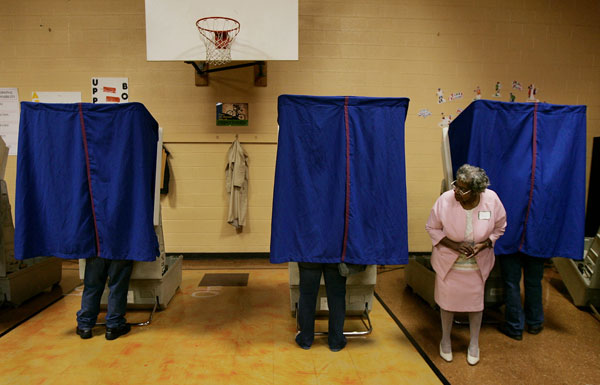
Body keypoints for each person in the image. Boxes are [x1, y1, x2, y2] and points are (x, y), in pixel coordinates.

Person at [425, 164, 507, 365]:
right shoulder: (445, 200)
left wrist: (484, 244)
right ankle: (445, 341)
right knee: (447, 303)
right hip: (449, 263)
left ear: (477, 191)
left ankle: (474, 343)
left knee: (475, 305)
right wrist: (454, 245)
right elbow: (432, 228)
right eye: (456, 185)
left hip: (477, 264)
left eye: (462, 189)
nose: (456, 191)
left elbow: (500, 227)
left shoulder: (492, 200)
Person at [76, 258, 134, 340]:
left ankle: (85, 326)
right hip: (120, 250)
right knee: (118, 288)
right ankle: (114, 326)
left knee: (92, 287)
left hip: (97, 250)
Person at [295, 263, 347, 352]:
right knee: (337, 296)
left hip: (309, 254)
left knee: (307, 295)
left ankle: (305, 339)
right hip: (335, 255)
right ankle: (336, 341)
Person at [496, 252, 545, 340]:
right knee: (534, 283)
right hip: (537, 245)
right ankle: (535, 323)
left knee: (512, 284)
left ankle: (514, 326)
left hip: (512, 244)